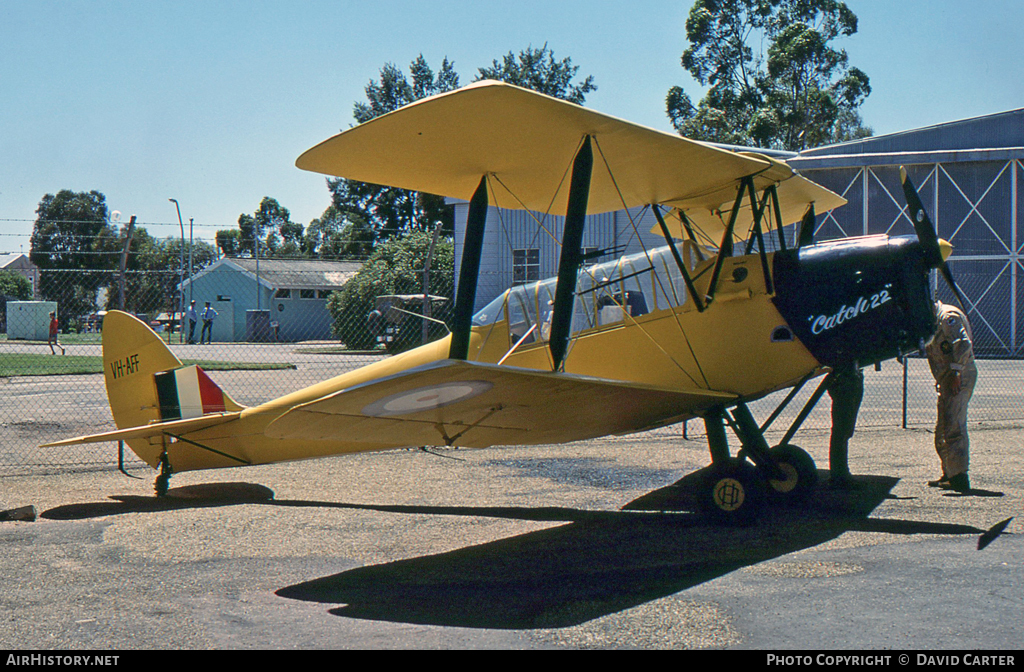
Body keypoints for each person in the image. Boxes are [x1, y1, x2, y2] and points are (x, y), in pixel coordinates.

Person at [925, 301, 976, 492]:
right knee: (943, 428)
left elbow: (963, 344)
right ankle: (949, 472)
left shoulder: (948, 318)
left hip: (959, 375)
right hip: (947, 377)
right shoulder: (932, 321)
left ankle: (960, 477)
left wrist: (956, 372)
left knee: (954, 424)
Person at [826, 362, 864, 488]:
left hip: (850, 377)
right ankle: (839, 474)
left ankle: (840, 473)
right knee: (841, 431)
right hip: (846, 380)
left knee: (845, 430)